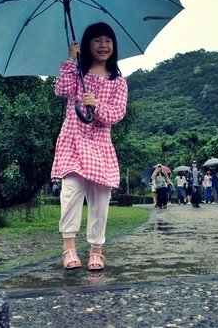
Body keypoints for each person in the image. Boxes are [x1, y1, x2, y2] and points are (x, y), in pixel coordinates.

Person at [51, 22, 128, 271]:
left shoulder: (118, 81)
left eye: (108, 40)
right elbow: (61, 90)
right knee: (71, 193)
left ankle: (96, 250)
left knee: (100, 199)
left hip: (100, 145)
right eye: (97, 40)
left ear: (113, 46)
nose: (103, 45)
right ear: (87, 44)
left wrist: (97, 105)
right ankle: (69, 247)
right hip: (73, 139)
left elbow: (117, 113)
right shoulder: (77, 72)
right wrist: (70, 59)